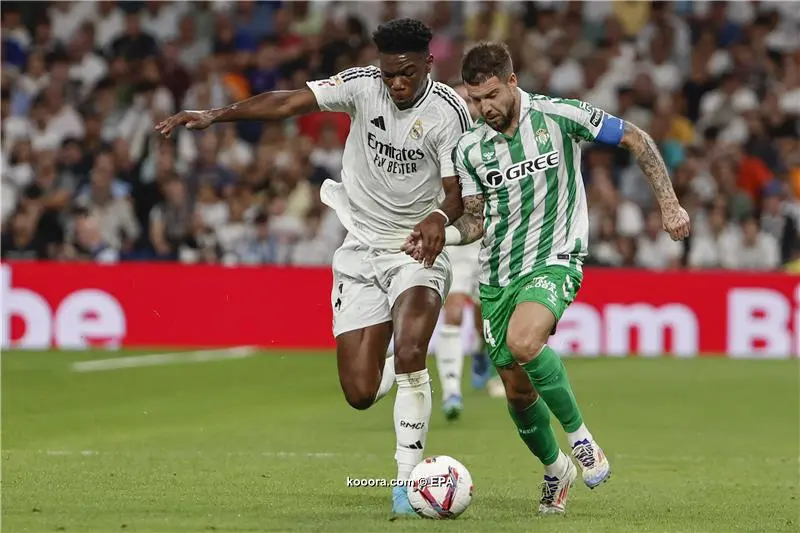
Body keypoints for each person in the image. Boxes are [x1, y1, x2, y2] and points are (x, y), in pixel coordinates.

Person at [155, 18, 473, 518]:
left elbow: (458, 192)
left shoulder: (450, 113)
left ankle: (406, 483)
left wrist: (437, 215)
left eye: (406, 73)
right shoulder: (361, 86)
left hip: (415, 249)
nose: (396, 83)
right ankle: (392, 364)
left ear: (429, 62)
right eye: (389, 73)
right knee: (360, 393)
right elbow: (287, 101)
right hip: (360, 247)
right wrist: (214, 115)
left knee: (413, 349)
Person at [404, 42, 691, 514]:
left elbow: (636, 138)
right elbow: (475, 219)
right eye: (474, 100)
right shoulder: (470, 147)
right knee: (518, 393)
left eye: (491, 96)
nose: (483, 108)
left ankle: (581, 440)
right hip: (497, 274)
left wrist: (668, 203)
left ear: (512, 81)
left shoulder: (558, 116)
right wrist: (443, 238)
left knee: (524, 340)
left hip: (555, 257)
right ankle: (557, 469)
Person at [433, 83, 491, 421]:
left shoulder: (488, 137)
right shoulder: (440, 136)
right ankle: (452, 391)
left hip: (483, 238)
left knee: (485, 321)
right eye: (461, 101)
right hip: (455, 237)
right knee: (453, 311)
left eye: (470, 100)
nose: (467, 107)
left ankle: (482, 353)